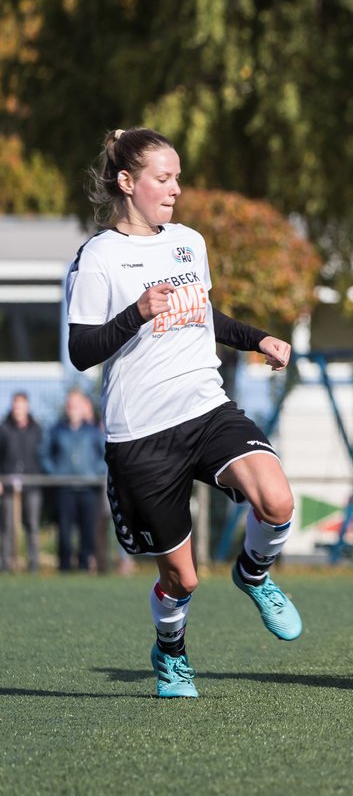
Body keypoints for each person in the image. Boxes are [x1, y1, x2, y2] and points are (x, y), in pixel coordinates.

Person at [67, 127, 303, 698]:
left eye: (178, 178)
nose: (175, 189)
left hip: (205, 406)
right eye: (163, 178)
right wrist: (136, 312)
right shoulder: (97, 257)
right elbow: (80, 352)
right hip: (141, 434)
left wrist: (257, 339)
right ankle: (171, 652)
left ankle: (254, 573)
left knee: (277, 500)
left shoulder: (189, 242)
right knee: (182, 578)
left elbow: (203, 315)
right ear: (128, 182)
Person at [39, 389, 107, 572]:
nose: (73, 410)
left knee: (88, 531)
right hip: (64, 489)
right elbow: (45, 455)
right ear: (66, 408)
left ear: (82, 408)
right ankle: (65, 565)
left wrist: (95, 472)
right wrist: (56, 474)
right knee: (64, 531)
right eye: (70, 406)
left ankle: (85, 564)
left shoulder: (92, 431)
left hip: (88, 488)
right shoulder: (56, 430)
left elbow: (104, 456)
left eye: (76, 406)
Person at [0, 391, 45, 572]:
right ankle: (6, 564)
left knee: (32, 526)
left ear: (27, 407)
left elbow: (43, 456)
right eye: (16, 406)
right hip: (9, 486)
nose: (18, 409)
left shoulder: (37, 429)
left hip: (32, 485)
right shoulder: (4, 429)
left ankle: (33, 564)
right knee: (8, 527)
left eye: (21, 405)